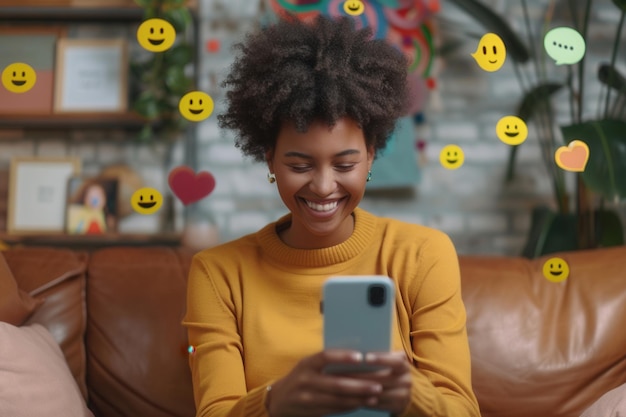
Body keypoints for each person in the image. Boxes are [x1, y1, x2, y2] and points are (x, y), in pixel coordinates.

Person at [183, 14, 480, 417]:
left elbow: (463, 411)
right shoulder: (218, 274)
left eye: (344, 165)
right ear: (269, 157)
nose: (323, 187)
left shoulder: (422, 255)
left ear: (371, 155)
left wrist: (410, 395)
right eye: (300, 165)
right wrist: (275, 401)